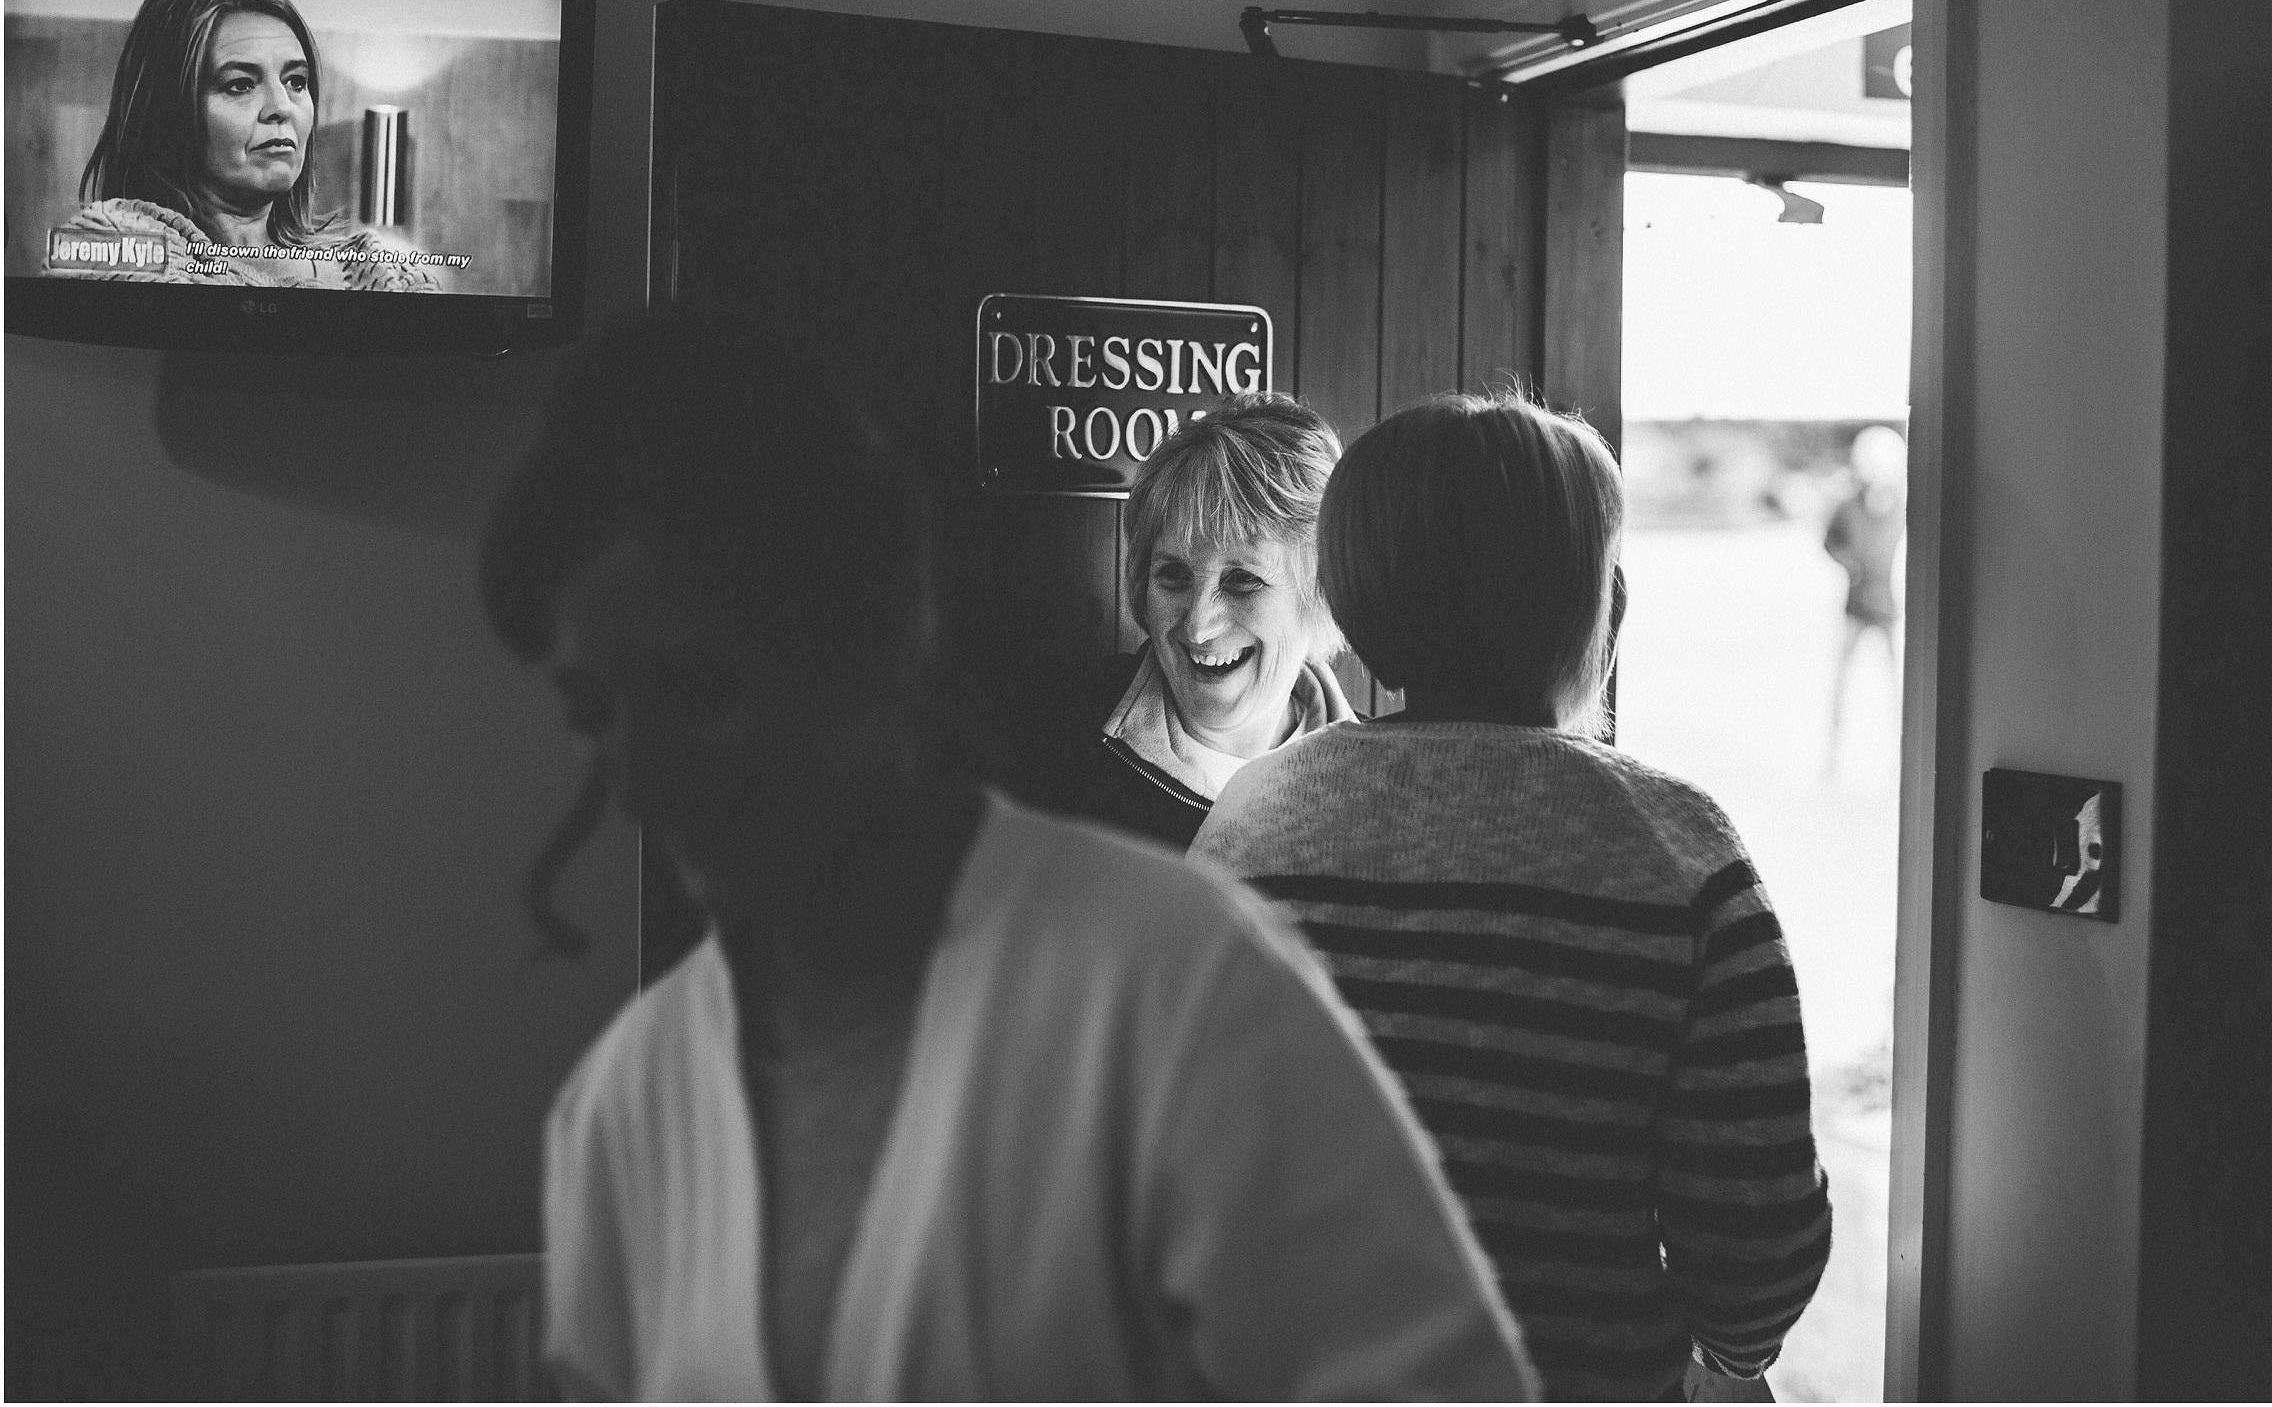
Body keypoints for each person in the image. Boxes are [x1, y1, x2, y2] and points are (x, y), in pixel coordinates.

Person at [481, 305, 1536, 1401]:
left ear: (870, 638)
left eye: (699, 688)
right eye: (592, 706)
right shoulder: (627, 1105)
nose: (640, 770)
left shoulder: (1181, 983)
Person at [1195, 390, 1833, 1403]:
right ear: (1606, 607)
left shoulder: (1255, 821)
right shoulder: (1680, 850)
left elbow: (1193, 1160)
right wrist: (1733, 1360)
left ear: (1357, 609)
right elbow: (1758, 1226)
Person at [971, 394, 1353, 849]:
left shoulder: (1383, 781)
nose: (1198, 626)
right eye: (1173, 575)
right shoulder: (1051, 747)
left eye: (1242, 580)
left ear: (1323, 592)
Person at [52, 0, 437, 291]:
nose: (281, 108)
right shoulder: (114, 241)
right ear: (169, 112)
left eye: (296, 82)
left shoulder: (379, 270)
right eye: (240, 85)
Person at [1822, 423, 1906, 768]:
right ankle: (1833, 752)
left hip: (1886, 606)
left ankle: (1900, 752)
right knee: (1843, 679)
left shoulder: (1902, 507)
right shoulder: (1847, 506)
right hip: (1855, 606)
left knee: (1897, 683)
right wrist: (1849, 564)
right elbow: (1829, 541)